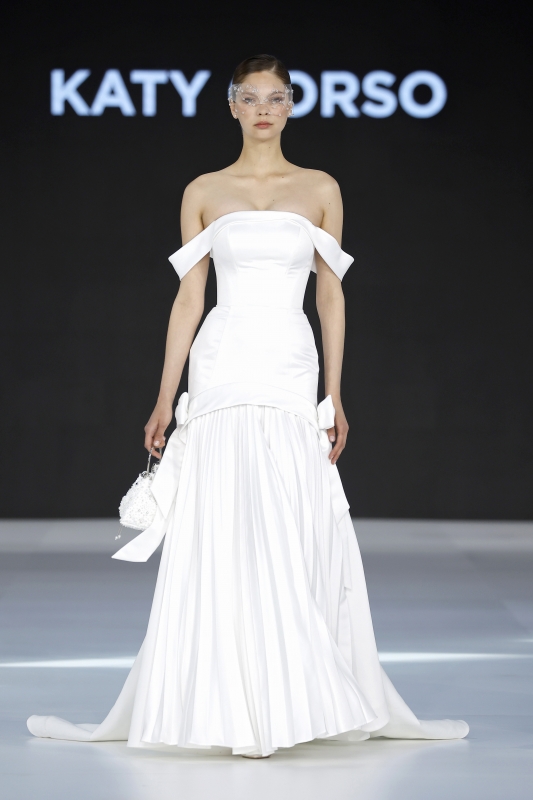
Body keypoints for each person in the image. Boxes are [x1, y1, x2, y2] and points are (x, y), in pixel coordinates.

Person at [27, 54, 468, 758]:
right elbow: (189, 297)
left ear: (291, 106)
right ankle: (228, 697)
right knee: (224, 509)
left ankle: (293, 688)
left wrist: (334, 390)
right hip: (223, 356)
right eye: (251, 97)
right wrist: (165, 395)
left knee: (291, 509)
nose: (264, 108)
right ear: (231, 105)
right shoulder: (203, 191)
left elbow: (330, 293)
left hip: (289, 359)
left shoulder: (320, 188)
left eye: (276, 97)